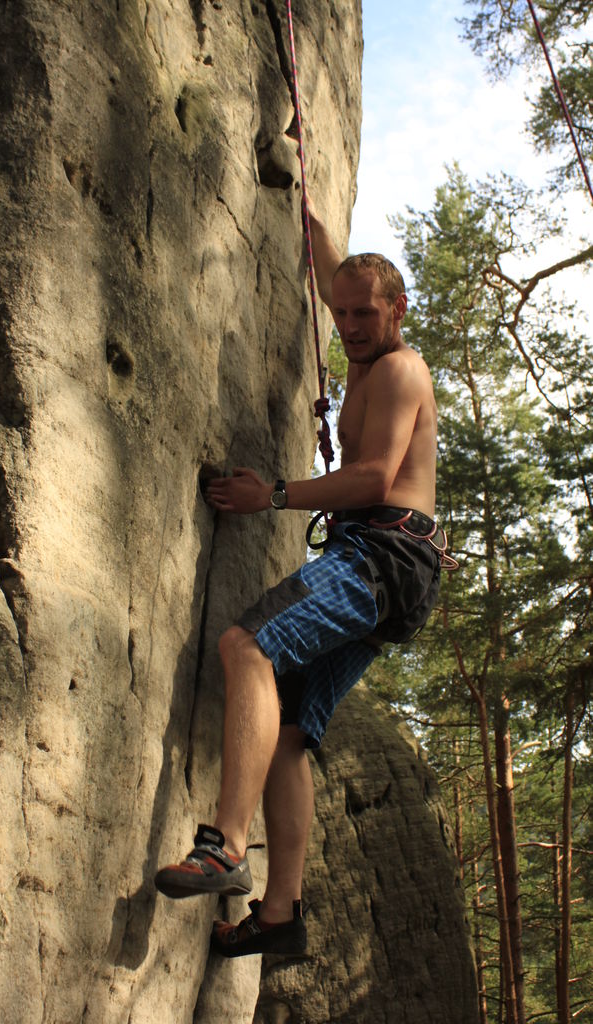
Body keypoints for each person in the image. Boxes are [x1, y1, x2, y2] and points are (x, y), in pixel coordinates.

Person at [154, 198, 450, 958]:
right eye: (341, 313)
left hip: (381, 555)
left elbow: (372, 477)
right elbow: (329, 271)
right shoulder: (363, 343)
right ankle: (279, 917)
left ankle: (224, 845)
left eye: (364, 314)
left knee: (246, 644)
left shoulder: (397, 368)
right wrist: (307, 202)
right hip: (399, 572)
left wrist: (273, 495)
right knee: (285, 731)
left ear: (397, 310)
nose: (348, 326)